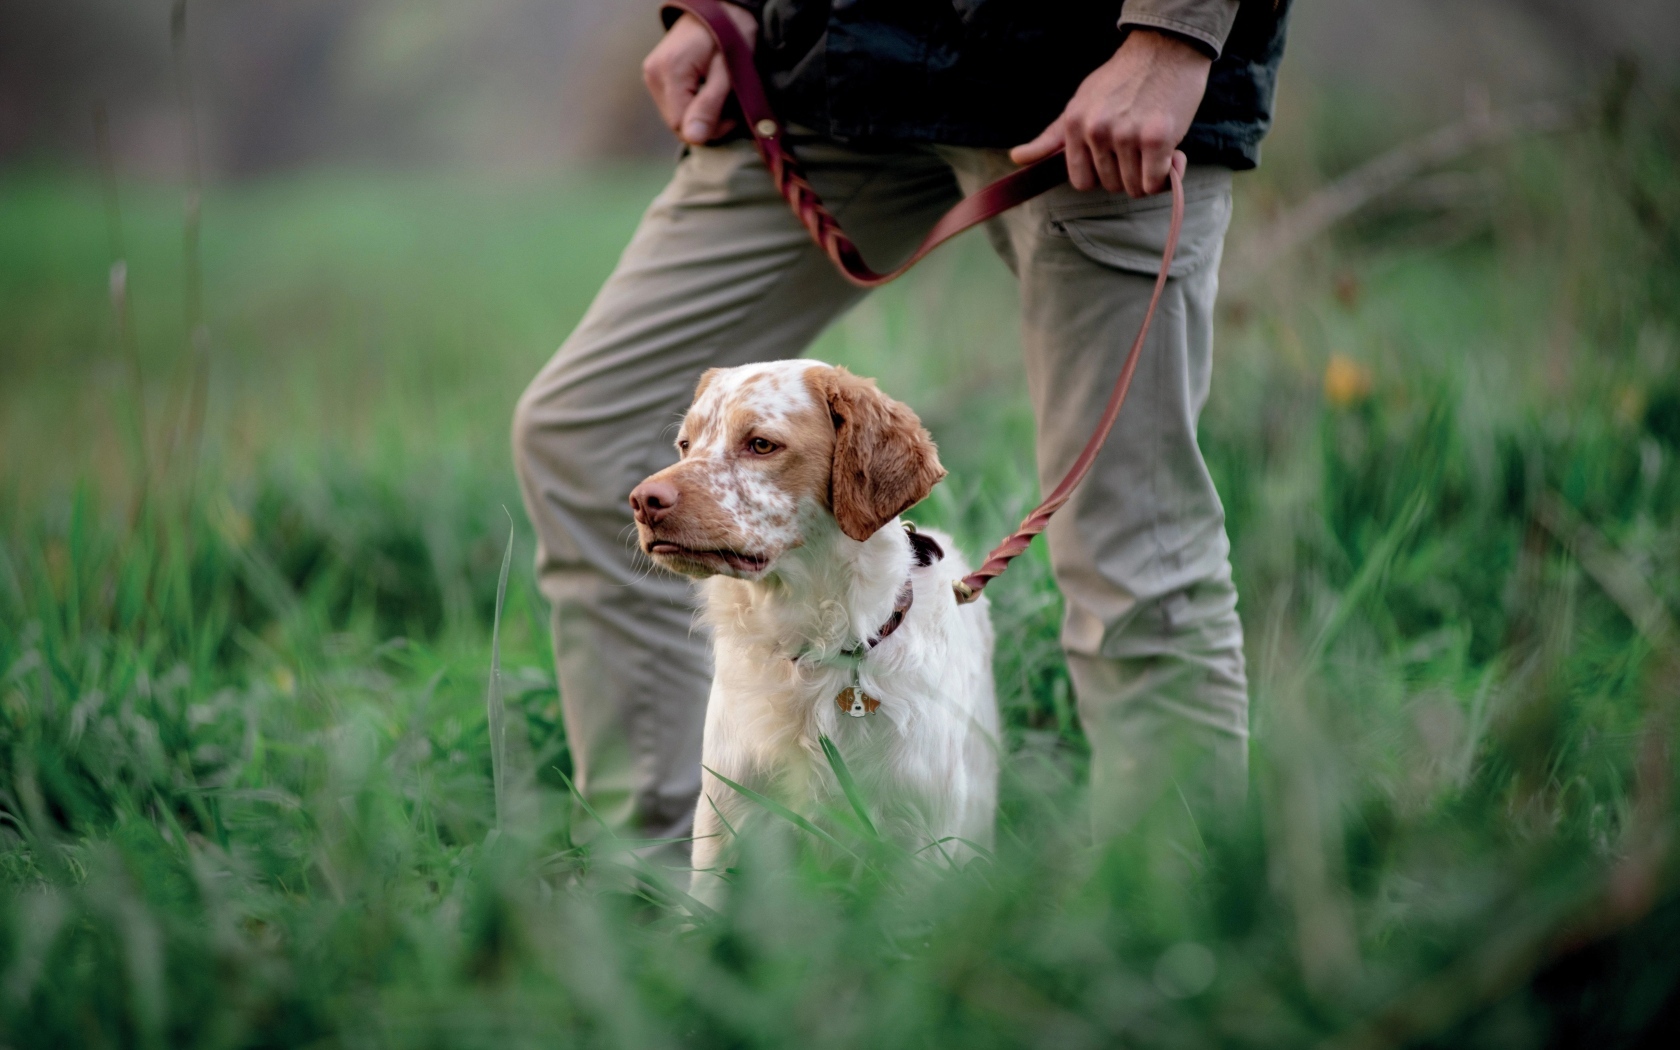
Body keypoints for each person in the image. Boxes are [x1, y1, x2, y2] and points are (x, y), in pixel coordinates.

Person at [514, 0, 1291, 848]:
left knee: (1133, 538)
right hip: (821, 74)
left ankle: (1182, 939)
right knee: (584, 433)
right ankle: (665, 905)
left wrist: (1173, 34)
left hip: (1090, 80)